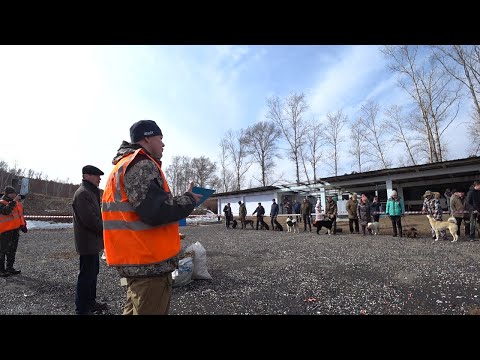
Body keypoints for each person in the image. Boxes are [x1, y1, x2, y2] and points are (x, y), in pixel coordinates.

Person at [101, 120, 202, 315]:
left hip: (137, 262)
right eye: (160, 138)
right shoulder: (141, 164)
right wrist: (189, 199)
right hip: (148, 265)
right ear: (147, 138)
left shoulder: (123, 166)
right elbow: (156, 211)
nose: (163, 144)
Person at [72, 165, 108, 315]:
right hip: (87, 243)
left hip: (92, 242)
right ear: (87, 176)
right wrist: (108, 230)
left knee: (92, 274)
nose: (100, 178)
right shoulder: (83, 194)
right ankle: (82, 308)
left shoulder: (90, 192)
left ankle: (90, 302)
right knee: (86, 276)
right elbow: (91, 220)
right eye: (96, 175)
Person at [0, 186, 27, 277]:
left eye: (14, 193)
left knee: (12, 250)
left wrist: (23, 225)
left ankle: (10, 268)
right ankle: (1, 270)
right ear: (6, 194)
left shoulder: (16, 203)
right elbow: (6, 211)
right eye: (12, 193)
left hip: (14, 231)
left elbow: (20, 216)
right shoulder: (2, 202)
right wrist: (14, 201)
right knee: (2, 251)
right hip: (4, 232)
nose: (14, 195)